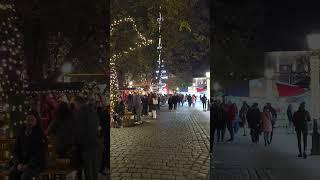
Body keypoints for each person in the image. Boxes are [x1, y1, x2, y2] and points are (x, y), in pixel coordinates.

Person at [9, 113, 47, 180]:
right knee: (12, 172)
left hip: (35, 164)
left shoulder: (40, 133)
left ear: (36, 121)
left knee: (25, 176)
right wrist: (18, 163)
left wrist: (28, 165)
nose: (29, 122)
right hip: (21, 163)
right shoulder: (21, 131)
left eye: (32, 120)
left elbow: (40, 154)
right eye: (28, 120)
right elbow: (16, 150)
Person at [73, 95, 100, 180]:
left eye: (75, 105)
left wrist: (77, 143)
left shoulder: (80, 113)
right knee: (94, 168)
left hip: (86, 144)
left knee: (88, 169)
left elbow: (78, 130)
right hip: (94, 142)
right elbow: (97, 125)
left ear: (78, 103)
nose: (75, 107)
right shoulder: (93, 111)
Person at [97, 97, 110, 175]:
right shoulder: (104, 114)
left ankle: (105, 167)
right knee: (105, 153)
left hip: (106, 135)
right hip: (105, 136)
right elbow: (103, 125)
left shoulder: (105, 113)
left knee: (106, 153)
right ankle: (103, 168)